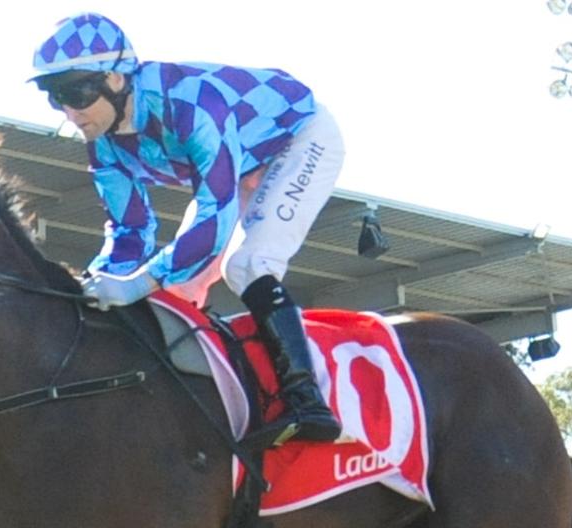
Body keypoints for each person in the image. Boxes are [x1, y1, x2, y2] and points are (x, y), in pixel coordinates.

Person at [29, 12, 345, 446]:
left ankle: (307, 402)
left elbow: (215, 215)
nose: (69, 111)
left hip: (299, 138)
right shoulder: (102, 143)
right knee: (176, 293)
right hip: (239, 162)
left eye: (76, 92)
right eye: (54, 96)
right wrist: (98, 282)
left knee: (248, 265)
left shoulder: (190, 105)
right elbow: (129, 230)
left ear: (118, 80)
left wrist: (140, 281)